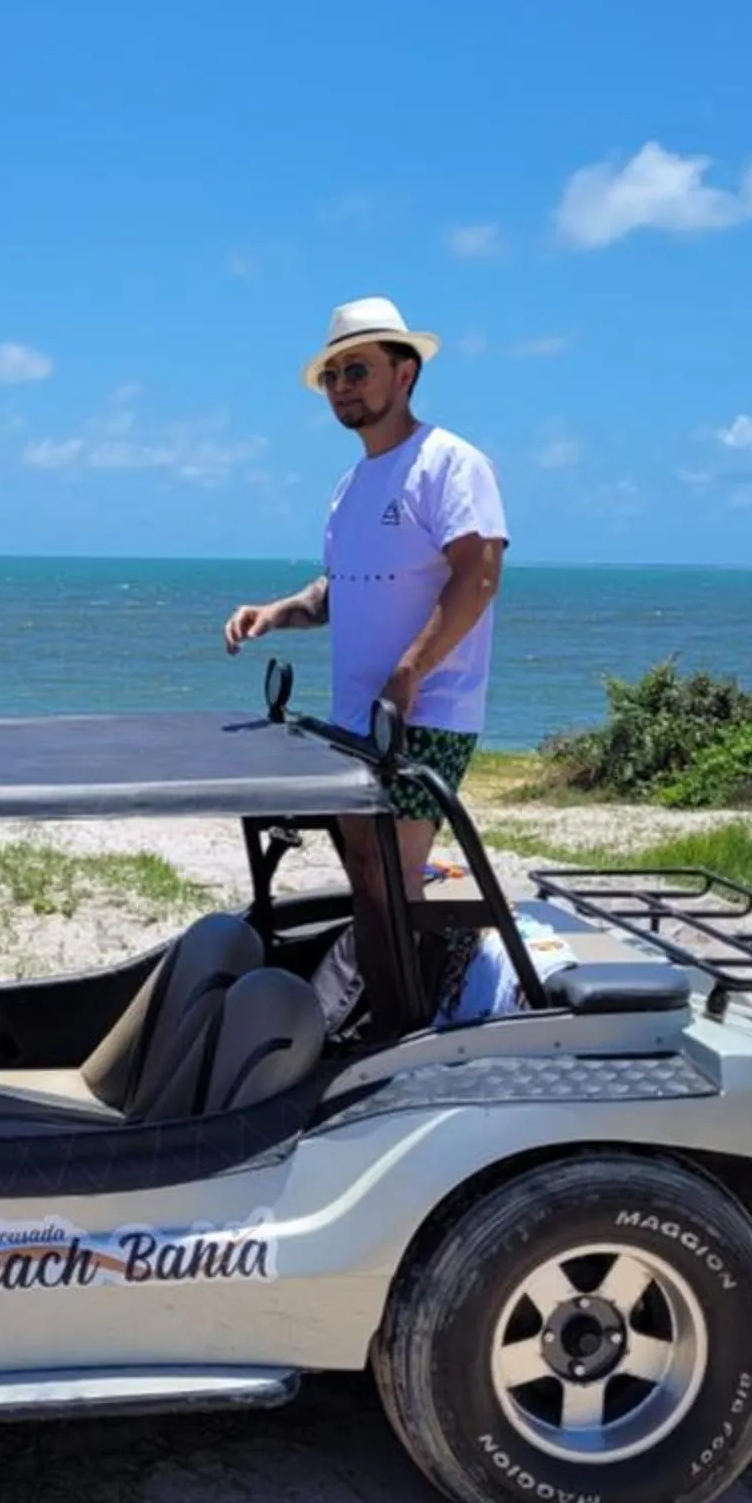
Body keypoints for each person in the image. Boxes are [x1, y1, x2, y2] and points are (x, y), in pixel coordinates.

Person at [222, 296, 507, 1039]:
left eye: (359, 370)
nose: (344, 386)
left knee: (392, 878)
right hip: (357, 721)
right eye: (333, 376)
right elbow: (342, 592)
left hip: (427, 712)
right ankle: (380, 1015)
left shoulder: (450, 463)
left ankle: (400, 1030)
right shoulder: (351, 489)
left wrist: (409, 675)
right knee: (367, 877)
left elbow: (476, 575)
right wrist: (278, 611)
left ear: (404, 373)